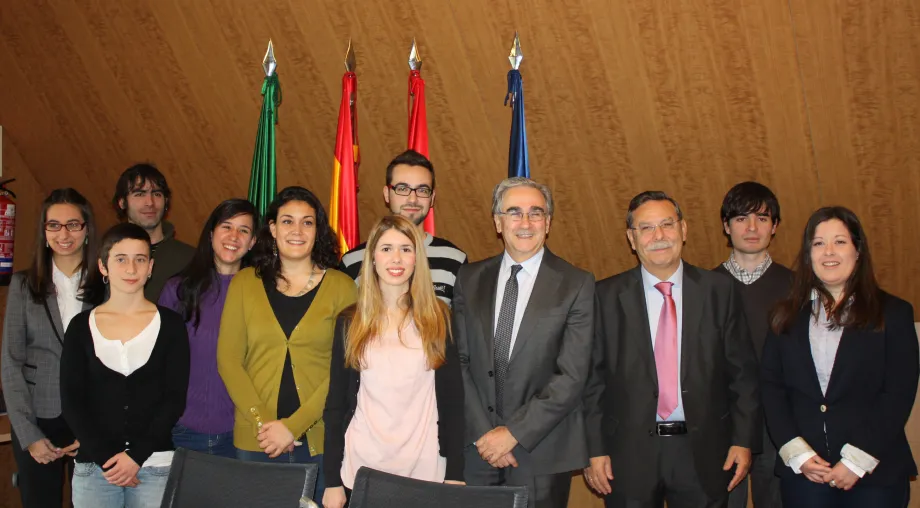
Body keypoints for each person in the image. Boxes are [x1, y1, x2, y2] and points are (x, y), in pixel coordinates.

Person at [584, 190, 761, 508]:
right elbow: (592, 383)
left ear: (684, 229)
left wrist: (742, 440)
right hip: (628, 455)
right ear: (631, 238)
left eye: (667, 224)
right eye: (646, 228)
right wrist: (593, 449)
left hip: (705, 451)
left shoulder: (719, 292)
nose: (659, 236)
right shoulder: (604, 297)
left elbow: (743, 376)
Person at [761, 206, 918, 508]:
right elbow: (772, 388)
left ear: (858, 250)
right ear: (808, 254)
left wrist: (856, 460)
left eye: (840, 242)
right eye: (818, 243)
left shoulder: (894, 313)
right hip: (806, 476)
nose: (828, 252)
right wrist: (799, 455)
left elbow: (898, 393)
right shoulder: (784, 316)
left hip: (875, 473)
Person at [454, 177, 595, 508]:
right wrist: (485, 435)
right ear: (498, 222)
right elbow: (458, 361)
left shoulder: (576, 284)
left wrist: (511, 434)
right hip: (477, 450)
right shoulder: (469, 279)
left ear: (548, 222)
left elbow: (572, 376)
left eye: (536, 213)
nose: (526, 222)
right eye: (514, 212)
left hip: (541, 452)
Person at [218, 186, 357, 505]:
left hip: (322, 444)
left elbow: (344, 369)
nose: (297, 230)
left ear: (318, 230)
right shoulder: (244, 284)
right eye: (287, 221)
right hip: (257, 442)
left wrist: (293, 426)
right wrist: (264, 424)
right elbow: (228, 360)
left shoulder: (342, 288)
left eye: (307, 222)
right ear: (271, 228)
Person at [322, 215, 465, 508]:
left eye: (406, 248)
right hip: (361, 467)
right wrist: (332, 480)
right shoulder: (351, 321)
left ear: (417, 259)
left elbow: (453, 403)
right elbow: (336, 404)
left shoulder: (438, 319)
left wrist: (455, 473)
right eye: (386, 249)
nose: (396, 258)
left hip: (424, 468)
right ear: (372, 258)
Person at [60, 223, 190, 508]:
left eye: (140, 259)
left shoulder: (171, 325)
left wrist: (135, 457)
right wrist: (110, 460)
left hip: (156, 466)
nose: (131, 268)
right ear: (103, 267)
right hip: (95, 469)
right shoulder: (81, 327)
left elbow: (174, 399)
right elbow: (72, 401)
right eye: (121, 259)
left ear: (151, 267)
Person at [1, 188, 95, 507]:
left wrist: (98, 431)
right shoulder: (24, 285)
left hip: (92, 419)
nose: (63, 234)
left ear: (86, 230)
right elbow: (10, 364)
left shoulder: (107, 286)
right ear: (44, 231)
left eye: (73, 224)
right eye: (53, 225)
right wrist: (29, 436)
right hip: (38, 419)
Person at [158, 199, 258, 458]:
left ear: (253, 242)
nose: (233, 236)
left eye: (243, 230)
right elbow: (158, 363)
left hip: (243, 433)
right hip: (183, 431)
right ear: (211, 233)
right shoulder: (177, 290)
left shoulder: (263, 293)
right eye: (226, 226)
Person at [714, 182, 792, 508]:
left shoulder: (798, 287)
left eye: (762, 218)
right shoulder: (704, 287)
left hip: (781, 428)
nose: (751, 227)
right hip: (723, 429)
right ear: (726, 225)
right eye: (741, 217)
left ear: (774, 226)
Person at [338, 150, 467, 305]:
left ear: (432, 198)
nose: (413, 199)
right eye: (402, 188)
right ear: (386, 194)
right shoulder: (352, 261)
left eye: (422, 190)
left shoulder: (455, 260)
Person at [112, 163, 194, 301]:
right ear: (122, 203)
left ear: (166, 201)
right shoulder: (106, 253)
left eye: (157, 194)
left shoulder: (190, 259)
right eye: (139, 194)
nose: (150, 202)